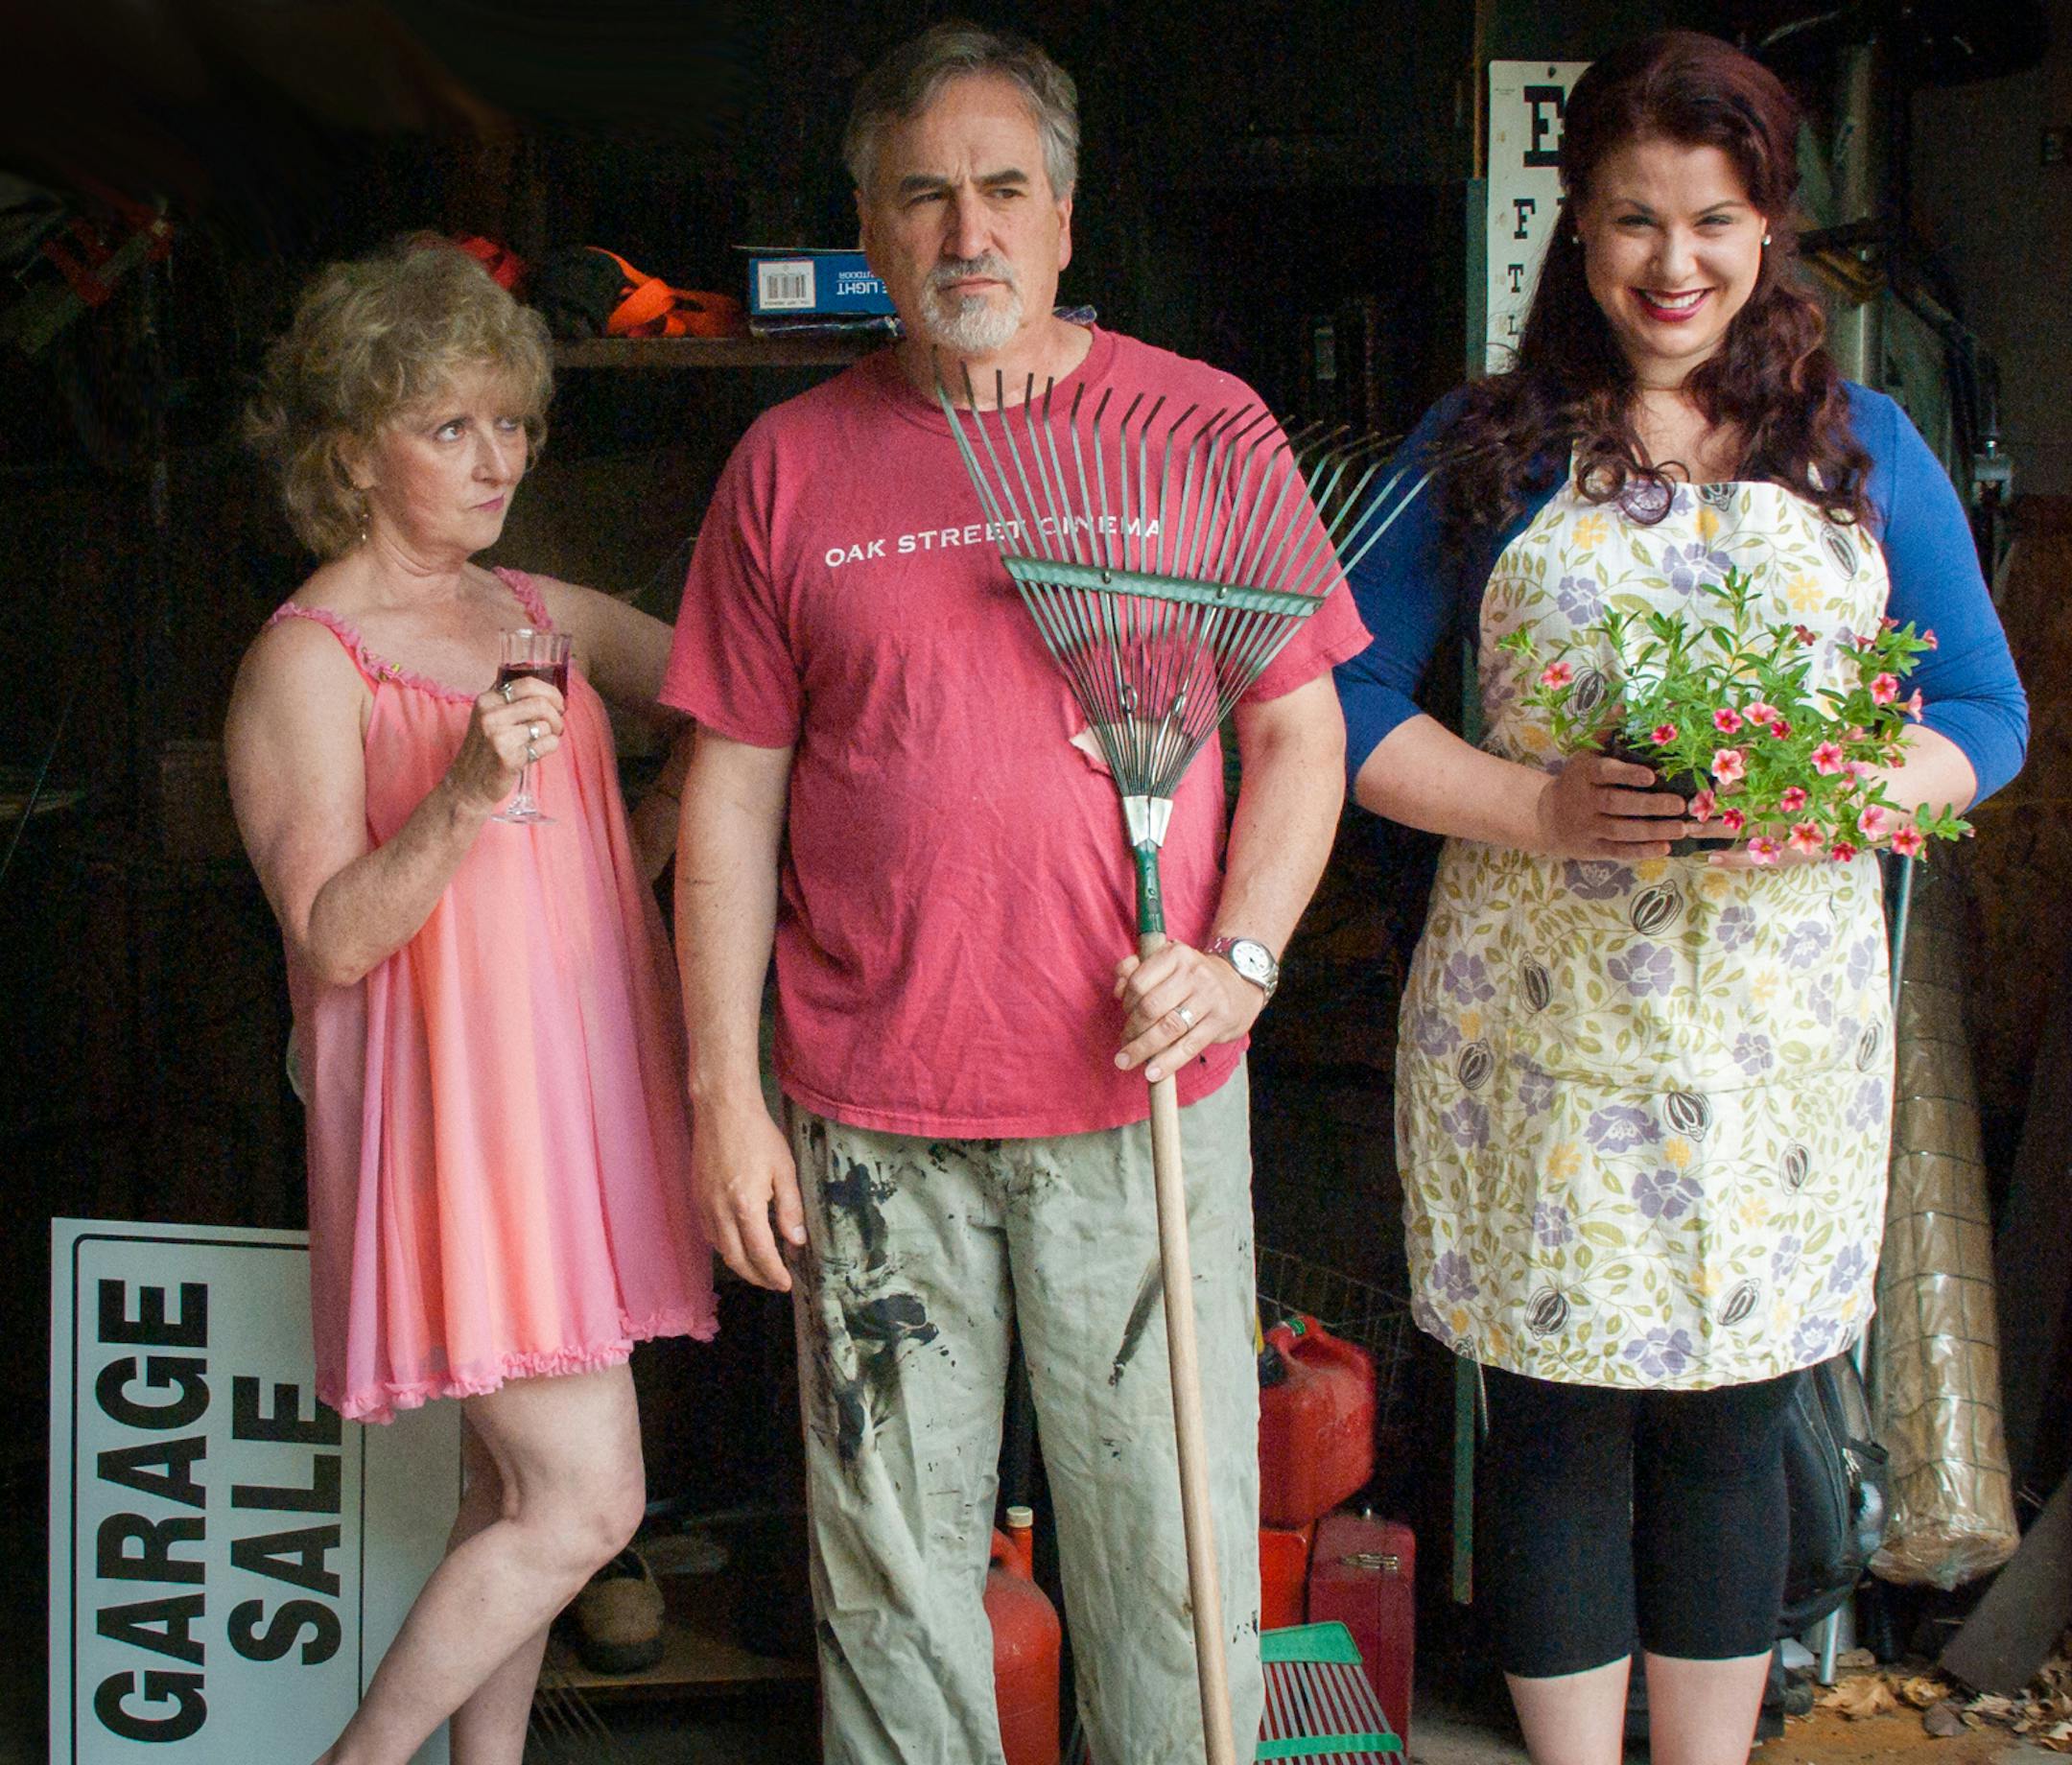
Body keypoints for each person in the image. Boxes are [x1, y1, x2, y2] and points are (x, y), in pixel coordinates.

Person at [664, 21, 1367, 1763]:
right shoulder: (791, 467)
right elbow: (732, 797)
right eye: (923, 196)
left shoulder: (1200, 431)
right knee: (892, 1562)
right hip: (869, 1108)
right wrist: (721, 1098)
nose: (964, 231)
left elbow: (1298, 736)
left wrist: (1242, 962)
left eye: (1000, 189)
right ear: (871, 227)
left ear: (1063, 214)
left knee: (1169, 1551)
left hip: (1141, 1092)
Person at [1334, 31, 2025, 1765]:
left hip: (1775, 1039)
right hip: (1543, 1032)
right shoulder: (1485, 447)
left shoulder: (1862, 448)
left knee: (1733, 1424)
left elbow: (1985, 721)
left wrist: (1841, 791)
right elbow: (1328, 698)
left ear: (1770, 229)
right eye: (1634, 219)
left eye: (1714, 219)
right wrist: (1537, 804)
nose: (1674, 264)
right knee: (1560, 1427)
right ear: (1578, 232)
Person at [224, 240, 716, 1765]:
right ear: (351, 453)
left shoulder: (535, 610)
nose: (498, 457)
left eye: (512, 423)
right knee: (588, 1503)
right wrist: (465, 793)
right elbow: (335, 935)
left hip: (576, 1103)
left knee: (507, 1499)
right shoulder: (306, 665)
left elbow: (737, 705)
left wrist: (630, 844)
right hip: (459, 1129)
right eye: (452, 428)